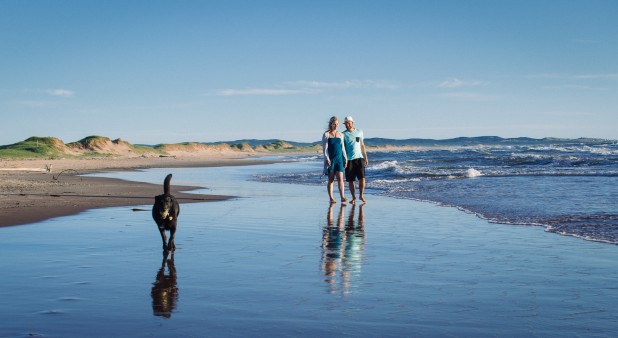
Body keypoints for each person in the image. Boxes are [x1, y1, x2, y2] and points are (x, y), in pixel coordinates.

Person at [322, 116, 348, 204]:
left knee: (341, 178)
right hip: (331, 159)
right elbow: (325, 149)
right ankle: (331, 197)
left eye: (337, 124)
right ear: (331, 124)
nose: (336, 126)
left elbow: (343, 148)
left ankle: (342, 197)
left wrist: (346, 159)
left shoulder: (341, 134)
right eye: (334, 124)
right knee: (331, 179)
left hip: (339, 159)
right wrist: (327, 158)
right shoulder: (326, 134)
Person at [342, 116, 368, 204]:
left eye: (348, 123)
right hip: (349, 160)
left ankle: (361, 195)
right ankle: (353, 197)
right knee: (351, 180)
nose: (347, 125)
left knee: (362, 178)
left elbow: (362, 145)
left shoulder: (359, 132)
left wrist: (366, 157)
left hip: (359, 158)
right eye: (346, 123)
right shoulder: (343, 134)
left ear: (352, 123)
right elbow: (343, 148)